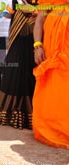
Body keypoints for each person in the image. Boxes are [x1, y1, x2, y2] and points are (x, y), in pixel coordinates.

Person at [0, 0, 38, 129]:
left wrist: (35, 11)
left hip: (35, 38)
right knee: (12, 72)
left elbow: (51, 10)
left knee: (30, 73)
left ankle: (34, 114)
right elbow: (13, 12)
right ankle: (10, 113)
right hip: (17, 38)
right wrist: (1, 12)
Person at [33, 0, 69, 148]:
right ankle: (53, 128)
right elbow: (39, 20)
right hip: (52, 47)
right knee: (54, 86)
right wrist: (37, 46)